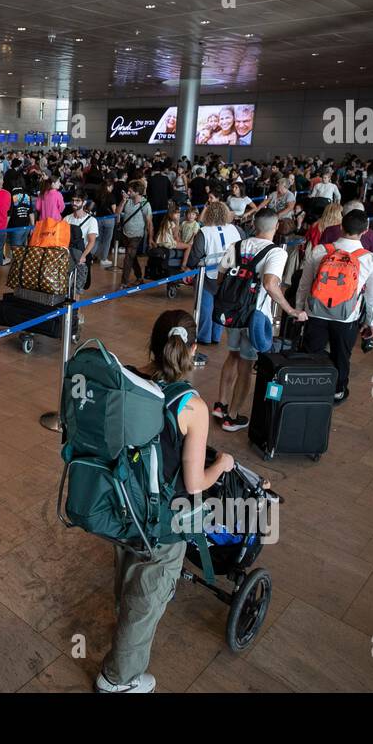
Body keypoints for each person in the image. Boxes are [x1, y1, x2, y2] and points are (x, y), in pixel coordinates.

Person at [96, 310, 235, 694]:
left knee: (127, 575)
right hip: (163, 520)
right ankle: (118, 680)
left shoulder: (129, 380)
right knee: (148, 596)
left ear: (152, 345)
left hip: (123, 505)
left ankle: (124, 623)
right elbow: (193, 483)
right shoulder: (192, 406)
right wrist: (221, 465)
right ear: (193, 348)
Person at [212, 209, 306, 431]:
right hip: (255, 316)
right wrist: (291, 310)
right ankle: (232, 417)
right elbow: (270, 284)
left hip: (232, 313)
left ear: (254, 225)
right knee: (246, 365)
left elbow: (220, 277)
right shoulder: (276, 252)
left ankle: (220, 404)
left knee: (232, 355)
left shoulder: (236, 245)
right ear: (275, 227)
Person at [295, 210, 373, 404]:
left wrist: (298, 309)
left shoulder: (320, 250)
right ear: (365, 231)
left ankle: (307, 388)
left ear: (341, 227)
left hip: (314, 312)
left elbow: (304, 284)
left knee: (312, 352)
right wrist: (371, 322)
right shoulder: (370, 259)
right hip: (346, 316)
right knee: (341, 354)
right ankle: (337, 390)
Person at [191, 202, 243, 357]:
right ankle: (216, 335)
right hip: (230, 274)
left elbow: (196, 254)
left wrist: (190, 266)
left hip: (209, 275)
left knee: (205, 306)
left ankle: (203, 336)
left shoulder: (204, 232)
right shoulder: (236, 229)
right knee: (222, 304)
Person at [115, 181, 151, 290]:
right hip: (126, 233)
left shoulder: (145, 204)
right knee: (132, 256)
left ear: (137, 192)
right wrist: (123, 201)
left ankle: (124, 283)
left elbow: (149, 222)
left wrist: (150, 238)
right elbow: (117, 212)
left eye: (130, 191)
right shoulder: (128, 201)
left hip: (137, 235)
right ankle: (139, 277)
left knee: (128, 258)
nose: (128, 192)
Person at [64, 193, 99, 300]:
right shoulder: (67, 219)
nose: (74, 203)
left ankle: (75, 314)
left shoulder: (91, 221)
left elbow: (91, 241)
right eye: (73, 200)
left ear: (84, 202)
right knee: (66, 287)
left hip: (81, 258)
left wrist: (83, 256)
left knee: (77, 289)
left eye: (78, 200)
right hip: (68, 257)